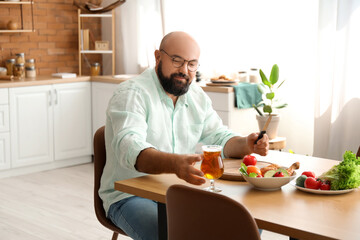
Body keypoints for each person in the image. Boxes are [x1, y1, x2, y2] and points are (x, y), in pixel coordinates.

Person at [100, 31, 269, 240]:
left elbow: (219, 136)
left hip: (180, 192)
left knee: (245, 223)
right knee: (177, 236)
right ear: (158, 57)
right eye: (177, 61)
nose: (184, 70)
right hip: (130, 195)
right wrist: (174, 164)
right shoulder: (131, 93)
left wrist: (246, 143)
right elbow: (130, 148)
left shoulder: (196, 96)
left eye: (192, 64)